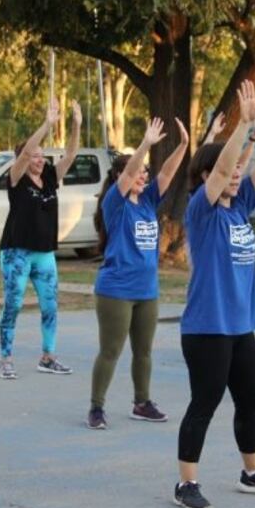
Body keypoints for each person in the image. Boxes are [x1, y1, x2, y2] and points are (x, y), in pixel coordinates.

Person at [174, 80, 255, 508]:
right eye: (226, 170)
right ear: (206, 177)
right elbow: (226, 167)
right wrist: (242, 127)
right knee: (204, 404)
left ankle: (253, 473)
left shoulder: (241, 206)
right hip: (206, 328)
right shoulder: (201, 212)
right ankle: (186, 483)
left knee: (248, 400)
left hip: (241, 326)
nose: (236, 173)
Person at [86, 117, 188, 429]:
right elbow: (130, 170)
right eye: (137, 172)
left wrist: (183, 145)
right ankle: (96, 408)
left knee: (143, 352)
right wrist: (145, 144)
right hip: (116, 290)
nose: (142, 175)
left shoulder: (147, 202)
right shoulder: (114, 203)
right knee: (111, 350)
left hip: (147, 290)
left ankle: (141, 402)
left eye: (145, 171)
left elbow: (168, 173)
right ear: (119, 177)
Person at [0, 98, 81, 379]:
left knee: (50, 306)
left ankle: (48, 356)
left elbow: (69, 155)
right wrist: (47, 124)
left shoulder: (49, 175)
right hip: (17, 252)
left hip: (44, 253)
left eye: (41, 155)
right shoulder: (16, 177)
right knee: (14, 304)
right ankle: (6, 359)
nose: (39, 158)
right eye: (34, 155)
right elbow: (23, 156)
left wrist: (76, 125)